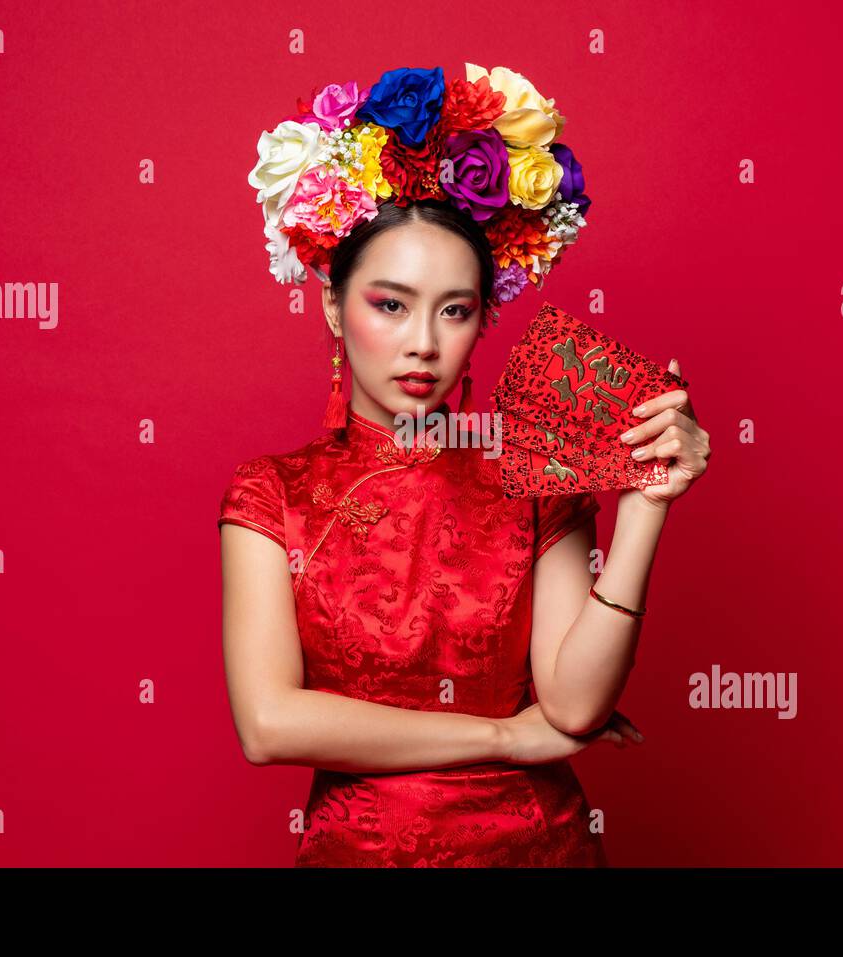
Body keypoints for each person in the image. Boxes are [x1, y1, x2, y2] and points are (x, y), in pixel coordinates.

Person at [222, 63, 711, 865]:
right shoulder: (271, 492)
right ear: (331, 304)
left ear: (483, 318)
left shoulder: (533, 471)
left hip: (537, 849)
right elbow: (269, 723)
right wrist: (506, 737)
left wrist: (647, 503)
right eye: (390, 303)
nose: (423, 342)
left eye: (454, 310)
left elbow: (577, 702)